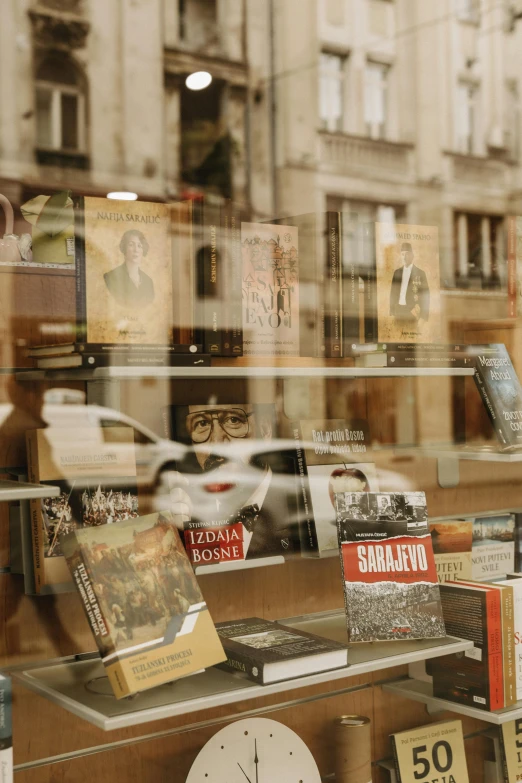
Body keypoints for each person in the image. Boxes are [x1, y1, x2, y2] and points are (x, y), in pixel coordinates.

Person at [177, 403, 298, 560]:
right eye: (202, 423)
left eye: (233, 420)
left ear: (265, 430)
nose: (216, 442)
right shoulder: (188, 513)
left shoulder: (297, 507)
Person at [103, 229, 155, 307]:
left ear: (143, 250)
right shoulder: (110, 277)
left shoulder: (148, 282)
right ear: (124, 248)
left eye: (139, 246)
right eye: (131, 245)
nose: (136, 250)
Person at [389, 242, 429, 327]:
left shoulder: (420, 273)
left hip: (412, 312)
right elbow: (393, 293)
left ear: (412, 256)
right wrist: (392, 312)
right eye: (402, 254)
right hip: (398, 311)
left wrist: (423, 316)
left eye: (407, 254)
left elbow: (426, 296)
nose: (404, 257)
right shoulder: (397, 273)